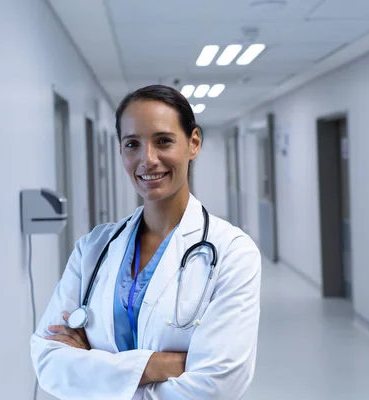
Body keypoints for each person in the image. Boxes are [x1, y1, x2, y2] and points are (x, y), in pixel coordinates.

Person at [30, 85, 262, 399]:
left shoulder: (233, 252)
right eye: (132, 144)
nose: (147, 159)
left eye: (163, 141)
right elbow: (47, 361)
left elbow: (216, 386)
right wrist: (154, 366)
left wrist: (93, 367)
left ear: (193, 143)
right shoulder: (93, 248)